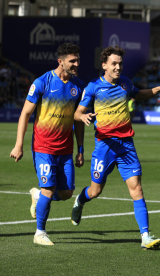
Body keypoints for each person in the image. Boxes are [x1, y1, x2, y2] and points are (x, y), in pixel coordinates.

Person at [72, 46, 160, 249]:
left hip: (126, 146)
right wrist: (83, 116)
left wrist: (157, 90)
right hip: (105, 146)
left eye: (120, 64)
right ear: (104, 66)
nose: (118, 67)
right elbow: (77, 112)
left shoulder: (125, 83)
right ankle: (80, 201)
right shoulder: (93, 87)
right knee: (95, 191)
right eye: (114, 64)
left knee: (137, 189)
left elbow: (138, 94)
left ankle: (145, 236)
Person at [9, 43, 85, 245]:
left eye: (78, 59)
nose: (77, 63)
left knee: (67, 193)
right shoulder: (42, 82)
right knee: (49, 190)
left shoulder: (78, 86)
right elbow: (25, 114)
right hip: (43, 147)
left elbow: (78, 120)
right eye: (73, 61)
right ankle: (40, 233)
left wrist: (81, 149)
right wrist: (19, 145)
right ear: (60, 62)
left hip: (65, 149)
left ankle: (37, 195)